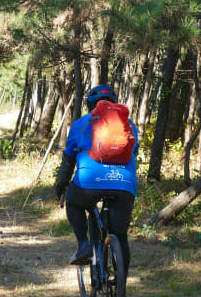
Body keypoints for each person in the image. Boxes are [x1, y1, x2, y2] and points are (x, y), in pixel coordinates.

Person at [53, 84, 138, 276]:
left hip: (89, 182)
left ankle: (84, 244)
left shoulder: (81, 124)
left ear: (90, 105)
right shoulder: (129, 125)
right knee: (120, 235)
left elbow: (68, 159)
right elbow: (134, 153)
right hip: (124, 184)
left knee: (74, 203)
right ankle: (121, 287)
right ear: (114, 103)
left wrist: (62, 185)